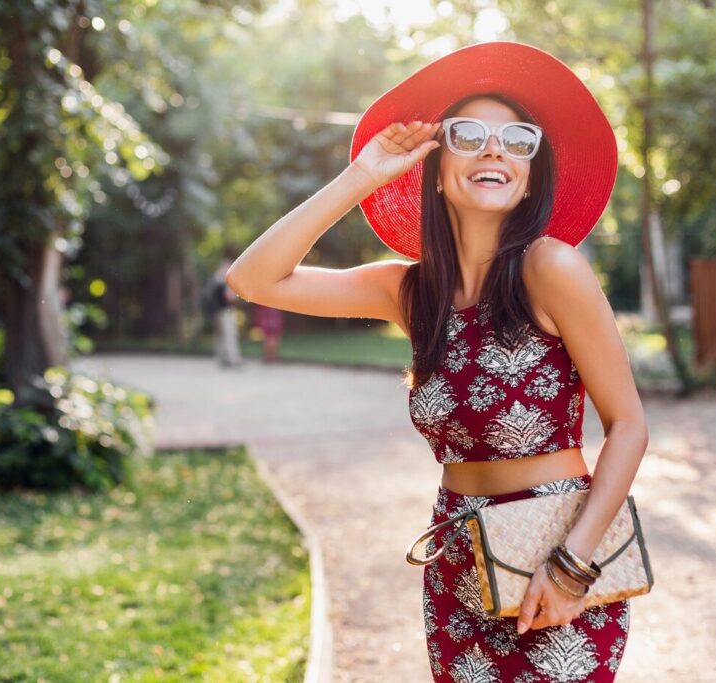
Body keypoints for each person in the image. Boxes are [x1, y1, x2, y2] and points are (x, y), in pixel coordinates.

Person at [226, 41, 648, 682]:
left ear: (530, 173)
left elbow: (629, 426)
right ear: (437, 163)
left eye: (517, 140)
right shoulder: (407, 290)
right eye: (469, 134)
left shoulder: (551, 269)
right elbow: (253, 278)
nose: (494, 150)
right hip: (458, 559)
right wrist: (364, 176)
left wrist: (573, 566)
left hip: (557, 554)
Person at [211, 250, 243, 368]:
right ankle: (233, 359)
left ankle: (223, 358)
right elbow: (230, 297)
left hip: (218, 312)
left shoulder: (215, 280)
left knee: (221, 336)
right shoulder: (222, 282)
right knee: (230, 335)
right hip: (225, 312)